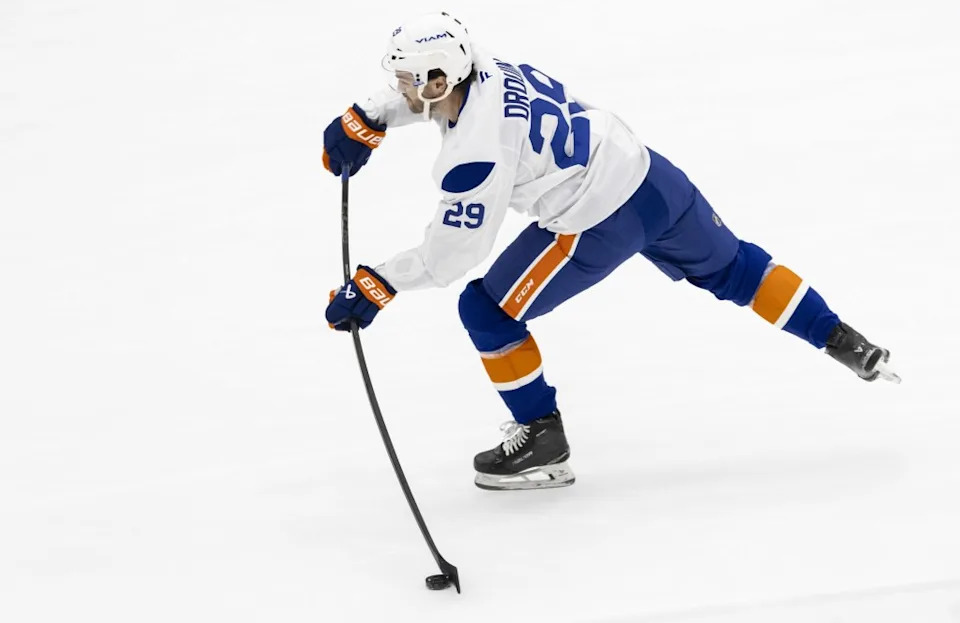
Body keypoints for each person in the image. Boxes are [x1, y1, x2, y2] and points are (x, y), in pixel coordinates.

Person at [322, 12, 900, 491]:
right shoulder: (487, 67)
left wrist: (378, 284)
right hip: (651, 177)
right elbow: (433, 89)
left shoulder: (474, 152)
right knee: (738, 268)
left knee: (486, 311)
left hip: (596, 220)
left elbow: (452, 253)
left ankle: (542, 440)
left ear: (441, 81)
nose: (400, 91)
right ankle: (842, 339)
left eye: (406, 83)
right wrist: (370, 117)